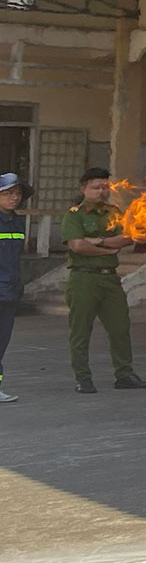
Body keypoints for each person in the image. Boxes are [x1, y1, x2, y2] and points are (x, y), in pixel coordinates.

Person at [61, 167, 146, 394]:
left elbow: (127, 239)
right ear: (84, 189)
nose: (101, 191)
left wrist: (98, 241)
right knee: (81, 330)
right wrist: (107, 250)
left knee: (120, 328)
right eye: (95, 187)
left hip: (110, 280)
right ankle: (83, 378)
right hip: (84, 278)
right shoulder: (75, 215)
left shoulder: (113, 212)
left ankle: (124, 374)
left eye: (104, 187)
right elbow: (77, 246)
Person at [0, 173, 23, 403]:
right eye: (7, 193)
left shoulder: (18, 222)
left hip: (10, 291)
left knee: (1, 344)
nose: (14, 198)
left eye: (17, 193)